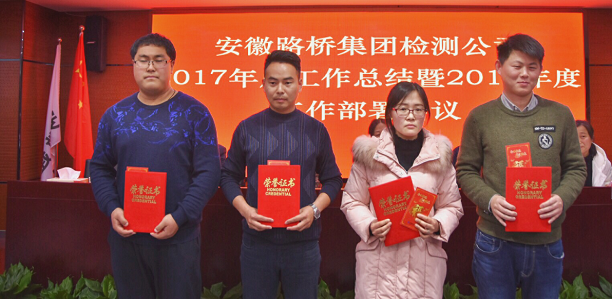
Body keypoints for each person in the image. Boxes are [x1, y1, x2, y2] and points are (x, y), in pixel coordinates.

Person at [90, 33, 221, 299]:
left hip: (178, 238)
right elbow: (100, 167)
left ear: (171, 65)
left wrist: (180, 216)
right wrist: (112, 208)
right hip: (128, 239)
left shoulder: (195, 113)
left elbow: (209, 172)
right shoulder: (115, 115)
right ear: (133, 65)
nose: (150, 67)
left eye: (159, 60)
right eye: (143, 60)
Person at [456, 34, 586, 299]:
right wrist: (490, 199)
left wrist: (562, 198)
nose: (525, 73)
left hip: (547, 241)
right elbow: (465, 170)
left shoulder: (560, 114)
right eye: (517, 66)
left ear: (540, 70)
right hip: (495, 240)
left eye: (532, 66)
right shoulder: (480, 117)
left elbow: (576, 167)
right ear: (499, 67)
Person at [221, 50, 343, 299]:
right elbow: (228, 177)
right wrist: (246, 211)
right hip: (257, 244)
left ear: (300, 84)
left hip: (303, 244)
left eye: (288, 82)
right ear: (263, 84)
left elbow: (332, 180)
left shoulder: (316, 130)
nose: (280, 90)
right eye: (273, 82)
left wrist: (314, 210)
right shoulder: (246, 128)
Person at [341, 81, 463, 299]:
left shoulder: (440, 157)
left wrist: (438, 224)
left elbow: (452, 205)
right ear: (391, 113)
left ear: (426, 114)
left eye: (418, 109)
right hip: (378, 267)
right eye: (403, 109)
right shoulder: (370, 155)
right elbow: (352, 200)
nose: (411, 116)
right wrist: (369, 225)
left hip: (423, 268)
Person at [576, 120, 612, 186]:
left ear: (591, 139)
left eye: (583, 136)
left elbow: (609, 182)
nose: (579, 141)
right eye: (574, 137)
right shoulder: (560, 160)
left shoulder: (603, 162)